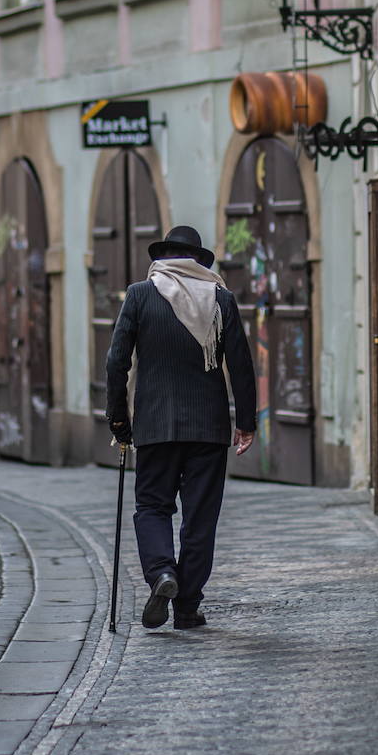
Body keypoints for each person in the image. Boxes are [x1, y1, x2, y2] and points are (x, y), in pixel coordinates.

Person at [106, 225, 257, 630]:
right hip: (207, 428)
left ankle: (162, 574)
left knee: (153, 507)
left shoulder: (140, 295)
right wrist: (246, 422)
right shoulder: (219, 299)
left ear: (164, 259)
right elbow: (241, 364)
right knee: (200, 518)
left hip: (154, 425)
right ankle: (187, 607)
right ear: (197, 262)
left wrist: (119, 420)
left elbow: (116, 362)